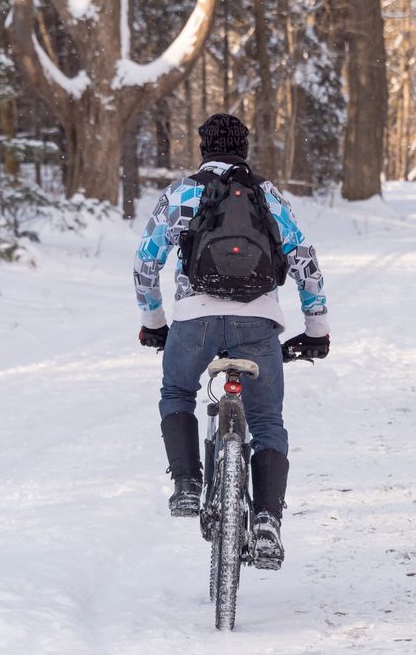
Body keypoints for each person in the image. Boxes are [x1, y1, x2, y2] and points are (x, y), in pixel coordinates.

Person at [133, 113, 330, 569]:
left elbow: (147, 261)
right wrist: (316, 330)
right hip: (257, 324)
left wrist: (154, 320)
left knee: (177, 392)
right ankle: (266, 521)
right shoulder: (267, 196)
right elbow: (304, 262)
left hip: (194, 320)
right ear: (245, 148)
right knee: (266, 420)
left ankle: (185, 484)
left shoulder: (183, 193)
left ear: (203, 149)